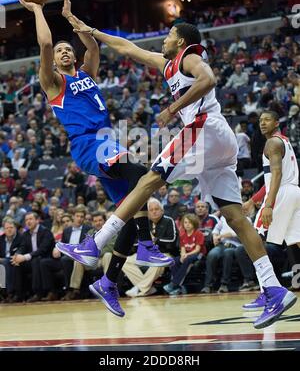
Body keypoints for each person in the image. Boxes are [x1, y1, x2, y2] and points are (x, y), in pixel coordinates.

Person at [58, 18, 297, 328]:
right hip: (217, 143)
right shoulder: (167, 63)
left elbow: (208, 79)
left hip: (204, 127)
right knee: (236, 218)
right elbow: (126, 47)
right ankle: (273, 287)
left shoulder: (190, 57)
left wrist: (173, 109)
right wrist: (90, 31)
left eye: (170, 34)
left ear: (181, 42)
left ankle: (95, 244)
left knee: (147, 181)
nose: (164, 39)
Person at [20, 0, 172, 315]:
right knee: (141, 174)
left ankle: (108, 281)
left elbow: (92, 46)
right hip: (90, 143)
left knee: (130, 209)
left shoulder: (87, 74)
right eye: (59, 51)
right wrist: (37, 9)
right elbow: (45, 45)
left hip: (108, 140)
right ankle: (145, 245)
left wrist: (74, 21)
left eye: (66, 50)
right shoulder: (53, 83)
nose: (62, 52)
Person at [242, 110, 300, 314]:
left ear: (277, 122)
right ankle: (267, 291)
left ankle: (269, 292)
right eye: (260, 120)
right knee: (296, 241)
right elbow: (270, 179)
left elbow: (276, 174)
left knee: (255, 241)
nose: (262, 123)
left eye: (267, 119)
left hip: (283, 193)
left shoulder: (272, 143)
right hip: (293, 192)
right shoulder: (283, 141)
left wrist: (268, 205)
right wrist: (253, 200)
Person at [163, 213, 205, 295]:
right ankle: (178, 287)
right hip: (187, 255)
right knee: (174, 261)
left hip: (199, 254)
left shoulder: (198, 233)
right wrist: (183, 255)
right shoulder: (182, 234)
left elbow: (197, 249)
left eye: (190, 222)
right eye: (185, 222)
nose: (187, 224)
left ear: (194, 223)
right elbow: (182, 248)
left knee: (188, 259)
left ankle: (174, 284)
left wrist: (186, 255)